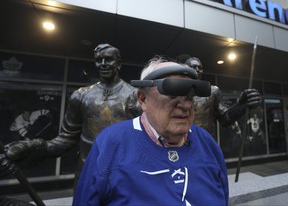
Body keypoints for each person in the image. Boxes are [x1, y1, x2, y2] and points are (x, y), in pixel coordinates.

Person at [73, 58, 229, 206]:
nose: (186, 105)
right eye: (173, 92)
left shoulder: (207, 143)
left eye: (190, 95)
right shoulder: (110, 145)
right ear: (142, 99)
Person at [2, 43, 141, 190]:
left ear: (118, 64)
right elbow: (66, 138)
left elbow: (145, 142)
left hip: (123, 175)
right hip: (87, 174)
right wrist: (36, 147)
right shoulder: (80, 95)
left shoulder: (135, 96)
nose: (103, 64)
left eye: (108, 59)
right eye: (99, 60)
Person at [178, 56, 262, 140]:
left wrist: (240, 107)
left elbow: (225, 120)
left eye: (199, 68)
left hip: (206, 143)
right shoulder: (176, 91)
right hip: (180, 142)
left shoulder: (213, 91)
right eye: (193, 67)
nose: (197, 70)